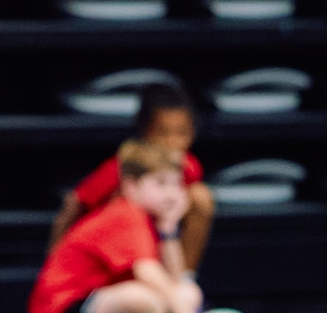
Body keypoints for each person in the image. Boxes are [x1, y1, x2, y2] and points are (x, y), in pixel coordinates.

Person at [30, 140, 224, 313]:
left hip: (103, 301)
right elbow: (150, 274)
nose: (171, 194)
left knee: (187, 290)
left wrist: (168, 229)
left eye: (176, 184)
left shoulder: (150, 218)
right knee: (142, 298)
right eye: (161, 184)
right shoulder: (124, 215)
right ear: (131, 185)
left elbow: (176, 277)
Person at [51, 81, 215, 272]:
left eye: (182, 133)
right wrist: (55, 260)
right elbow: (74, 204)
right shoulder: (122, 167)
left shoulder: (189, 167)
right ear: (145, 129)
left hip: (157, 252)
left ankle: (183, 277)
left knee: (200, 197)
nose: (172, 142)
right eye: (162, 132)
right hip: (113, 257)